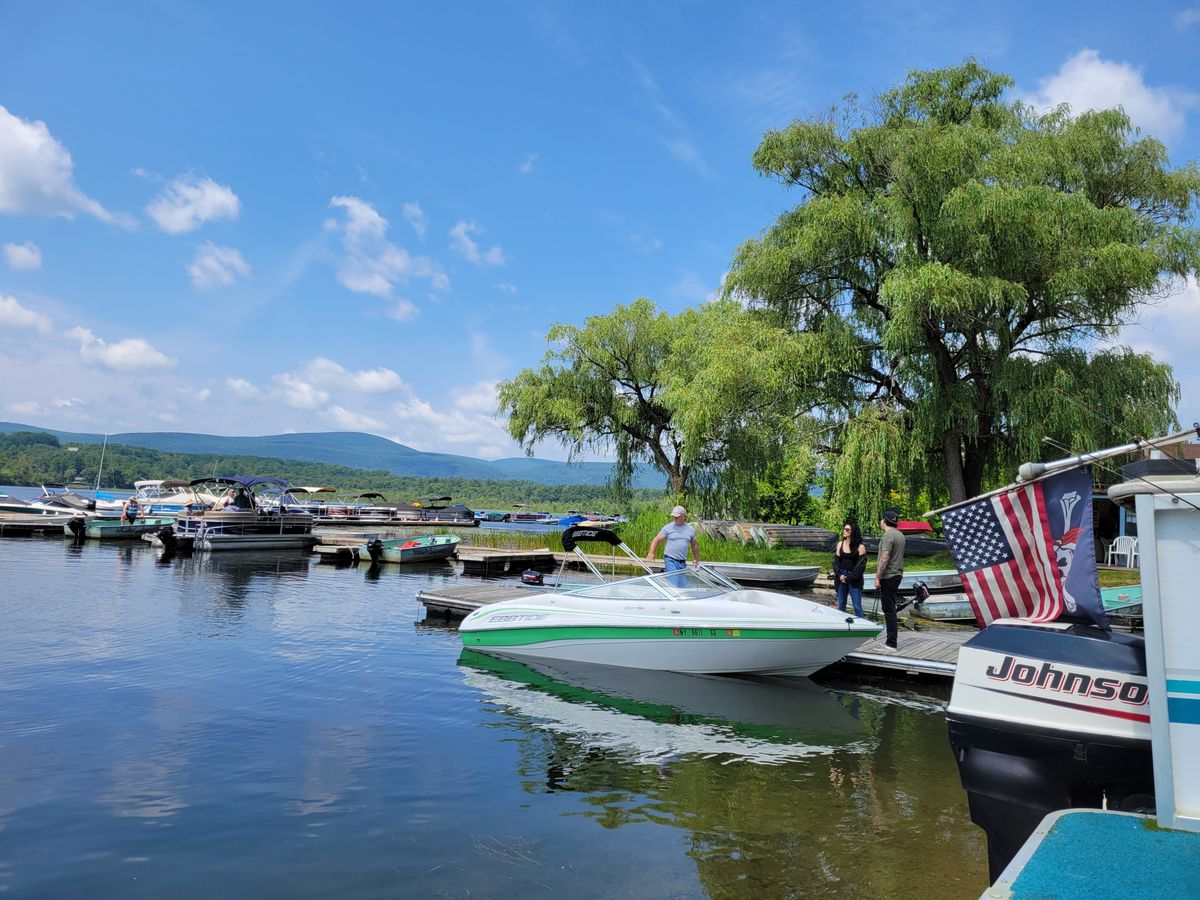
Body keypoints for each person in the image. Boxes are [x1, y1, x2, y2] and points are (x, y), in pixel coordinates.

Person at [875, 508, 907, 651]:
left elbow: (885, 557)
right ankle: (891, 640)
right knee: (890, 608)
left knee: (888, 610)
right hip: (897, 574)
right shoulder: (900, 535)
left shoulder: (888, 536)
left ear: (884, 521)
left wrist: (877, 576)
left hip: (888, 576)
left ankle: (891, 643)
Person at [647, 505, 700, 573]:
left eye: (677, 517)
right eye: (674, 517)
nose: (675, 518)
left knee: (680, 583)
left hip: (682, 562)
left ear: (683, 516)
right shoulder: (668, 528)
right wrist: (651, 552)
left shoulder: (690, 529)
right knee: (674, 579)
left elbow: (694, 545)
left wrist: (697, 560)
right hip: (670, 560)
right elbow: (656, 540)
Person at [832, 520, 867, 617]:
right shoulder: (840, 544)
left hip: (854, 578)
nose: (844, 531)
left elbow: (861, 567)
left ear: (853, 531)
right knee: (841, 605)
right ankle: (841, 627)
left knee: (857, 606)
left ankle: (862, 627)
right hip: (841, 576)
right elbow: (835, 563)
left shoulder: (860, 547)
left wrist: (849, 578)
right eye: (844, 529)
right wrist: (839, 575)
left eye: (847, 529)